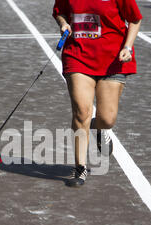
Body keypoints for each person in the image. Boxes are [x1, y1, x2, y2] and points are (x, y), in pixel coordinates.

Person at [52, 0, 142, 187]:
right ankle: (80, 168)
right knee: (81, 112)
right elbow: (60, 11)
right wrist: (63, 24)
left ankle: (99, 127)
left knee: (107, 119)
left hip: (112, 59)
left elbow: (135, 19)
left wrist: (127, 46)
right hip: (78, 55)